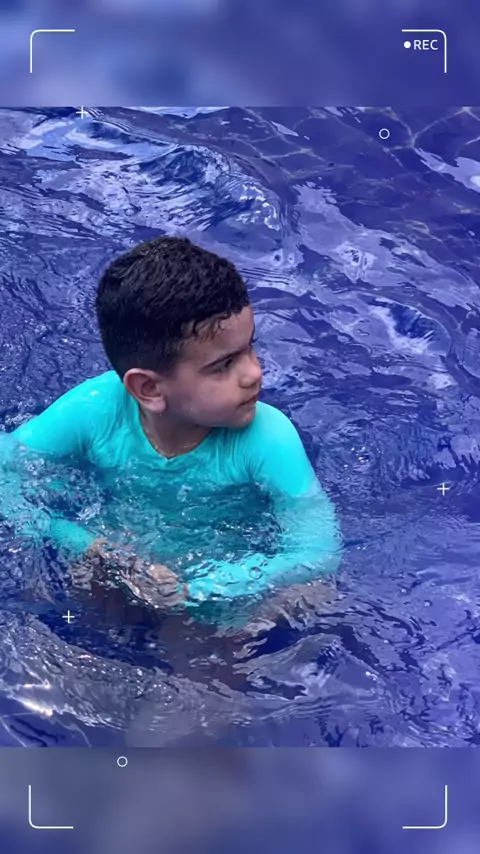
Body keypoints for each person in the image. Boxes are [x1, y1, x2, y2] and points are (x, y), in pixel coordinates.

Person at [1, 236, 342, 617]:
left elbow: (317, 550)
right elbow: (4, 474)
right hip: (122, 553)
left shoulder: (267, 437)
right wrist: (89, 545)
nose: (254, 373)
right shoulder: (93, 409)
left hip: (222, 577)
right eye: (224, 365)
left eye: (251, 347)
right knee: (76, 584)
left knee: (303, 597)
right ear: (148, 389)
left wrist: (200, 589)